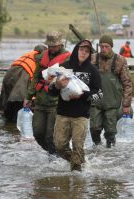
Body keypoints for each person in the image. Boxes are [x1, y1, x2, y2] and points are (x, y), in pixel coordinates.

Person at [49, 39, 102, 171]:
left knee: (78, 148)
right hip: (62, 114)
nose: (84, 53)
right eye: (81, 50)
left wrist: (83, 95)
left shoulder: (93, 70)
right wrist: (57, 85)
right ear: (76, 50)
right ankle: (79, 162)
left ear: (90, 54)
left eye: (87, 51)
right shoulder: (63, 67)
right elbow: (50, 91)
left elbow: (100, 94)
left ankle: (77, 183)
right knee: (59, 146)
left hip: (81, 116)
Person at [23, 31, 70, 155]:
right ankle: (52, 152)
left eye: (54, 46)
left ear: (60, 45)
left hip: (56, 103)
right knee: (37, 133)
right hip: (40, 101)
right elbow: (35, 78)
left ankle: (55, 157)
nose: (51, 48)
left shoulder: (68, 58)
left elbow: (70, 80)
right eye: (49, 46)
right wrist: (28, 97)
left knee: (50, 135)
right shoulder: (41, 57)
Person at [90, 35, 133, 148]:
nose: (103, 49)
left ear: (111, 47)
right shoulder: (92, 59)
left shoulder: (120, 60)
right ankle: (97, 148)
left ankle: (110, 152)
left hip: (112, 103)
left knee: (110, 131)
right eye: (101, 46)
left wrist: (126, 104)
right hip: (95, 101)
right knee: (94, 128)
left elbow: (127, 84)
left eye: (106, 46)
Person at [0, 45, 46, 121]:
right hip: (22, 76)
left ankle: (8, 123)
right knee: (19, 101)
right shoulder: (41, 57)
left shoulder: (29, 54)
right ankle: (15, 124)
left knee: (9, 100)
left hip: (9, 74)